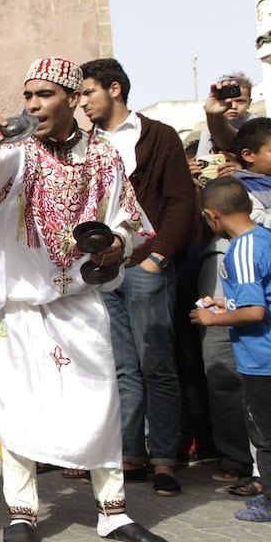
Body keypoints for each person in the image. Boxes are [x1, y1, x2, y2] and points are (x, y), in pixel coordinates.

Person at [0, 57, 179, 542]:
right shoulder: (17, 152)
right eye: (27, 95)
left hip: (79, 299)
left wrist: (118, 243)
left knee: (99, 401)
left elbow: (129, 219)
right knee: (17, 407)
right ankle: (22, 511)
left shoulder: (103, 156)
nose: (32, 104)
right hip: (19, 307)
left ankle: (113, 510)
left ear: (74, 99)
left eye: (44, 95)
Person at [79, 58, 199, 494]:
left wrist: (159, 257)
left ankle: (165, 457)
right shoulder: (85, 146)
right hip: (103, 271)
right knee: (122, 367)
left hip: (147, 265)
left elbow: (180, 202)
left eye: (88, 92)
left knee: (157, 364)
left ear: (114, 89)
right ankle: (130, 455)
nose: (82, 102)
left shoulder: (158, 135)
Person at [190, 177, 271, 521]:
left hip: (261, 360)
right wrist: (227, 303)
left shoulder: (241, 250)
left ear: (211, 216)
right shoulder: (263, 238)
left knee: (264, 437)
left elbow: (255, 312)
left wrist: (211, 320)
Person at [201, 72, 255, 155]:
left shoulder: (256, 126)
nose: (233, 106)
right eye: (227, 101)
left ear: (249, 103)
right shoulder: (209, 129)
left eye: (240, 101)